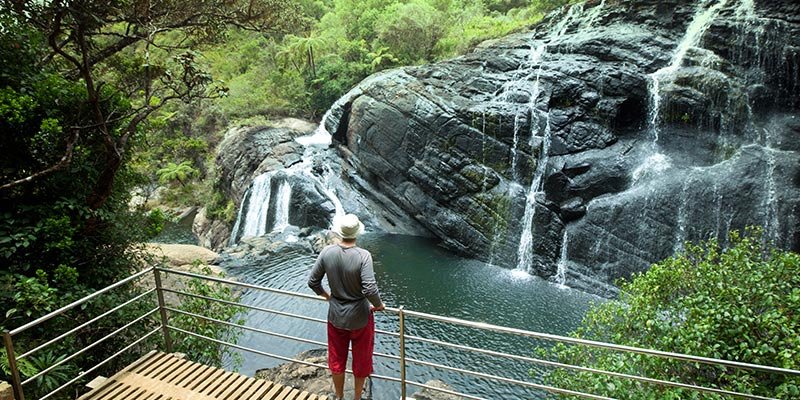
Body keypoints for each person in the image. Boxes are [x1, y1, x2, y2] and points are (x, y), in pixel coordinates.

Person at [308, 213, 385, 400]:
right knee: (361, 360)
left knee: (336, 359)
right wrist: (379, 305)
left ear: (340, 232)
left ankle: (339, 396)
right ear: (357, 233)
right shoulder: (363, 256)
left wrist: (328, 297)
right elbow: (369, 288)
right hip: (360, 316)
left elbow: (312, 282)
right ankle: (358, 398)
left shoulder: (327, 252)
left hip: (335, 315)